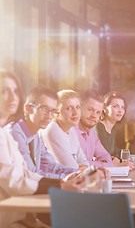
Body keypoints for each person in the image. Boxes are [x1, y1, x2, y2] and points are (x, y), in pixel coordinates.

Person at [0, 70, 84, 227]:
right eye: (4, 91)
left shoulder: (30, 135)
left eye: (16, 91)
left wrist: (73, 175)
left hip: (22, 213)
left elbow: (29, 173)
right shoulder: (11, 133)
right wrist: (60, 184)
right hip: (10, 217)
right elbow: (17, 180)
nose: (49, 116)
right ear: (28, 108)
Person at [7, 86, 77, 178]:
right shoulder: (14, 133)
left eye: (52, 111)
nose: (49, 116)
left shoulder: (35, 136)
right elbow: (30, 174)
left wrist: (79, 174)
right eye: (44, 108)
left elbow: (53, 166)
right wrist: (66, 179)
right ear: (27, 108)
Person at [76, 90, 135, 169]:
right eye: (90, 109)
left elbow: (105, 157)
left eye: (98, 112)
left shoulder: (91, 132)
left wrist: (110, 162)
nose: (94, 115)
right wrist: (111, 164)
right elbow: (80, 163)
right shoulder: (71, 131)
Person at [40, 90, 89, 169]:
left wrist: (83, 167)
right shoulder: (52, 129)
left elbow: (84, 161)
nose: (75, 113)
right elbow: (69, 167)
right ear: (57, 112)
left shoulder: (71, 129)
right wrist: (81, 168)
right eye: (69, 108)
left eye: (78, 107)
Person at [94, 91, 126, 158]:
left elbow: (114, 155)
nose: (120, 111)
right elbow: (103, 156)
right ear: (104, 108)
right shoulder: (99, 127)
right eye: (115, 106)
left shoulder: (113, 131)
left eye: (122, 107)